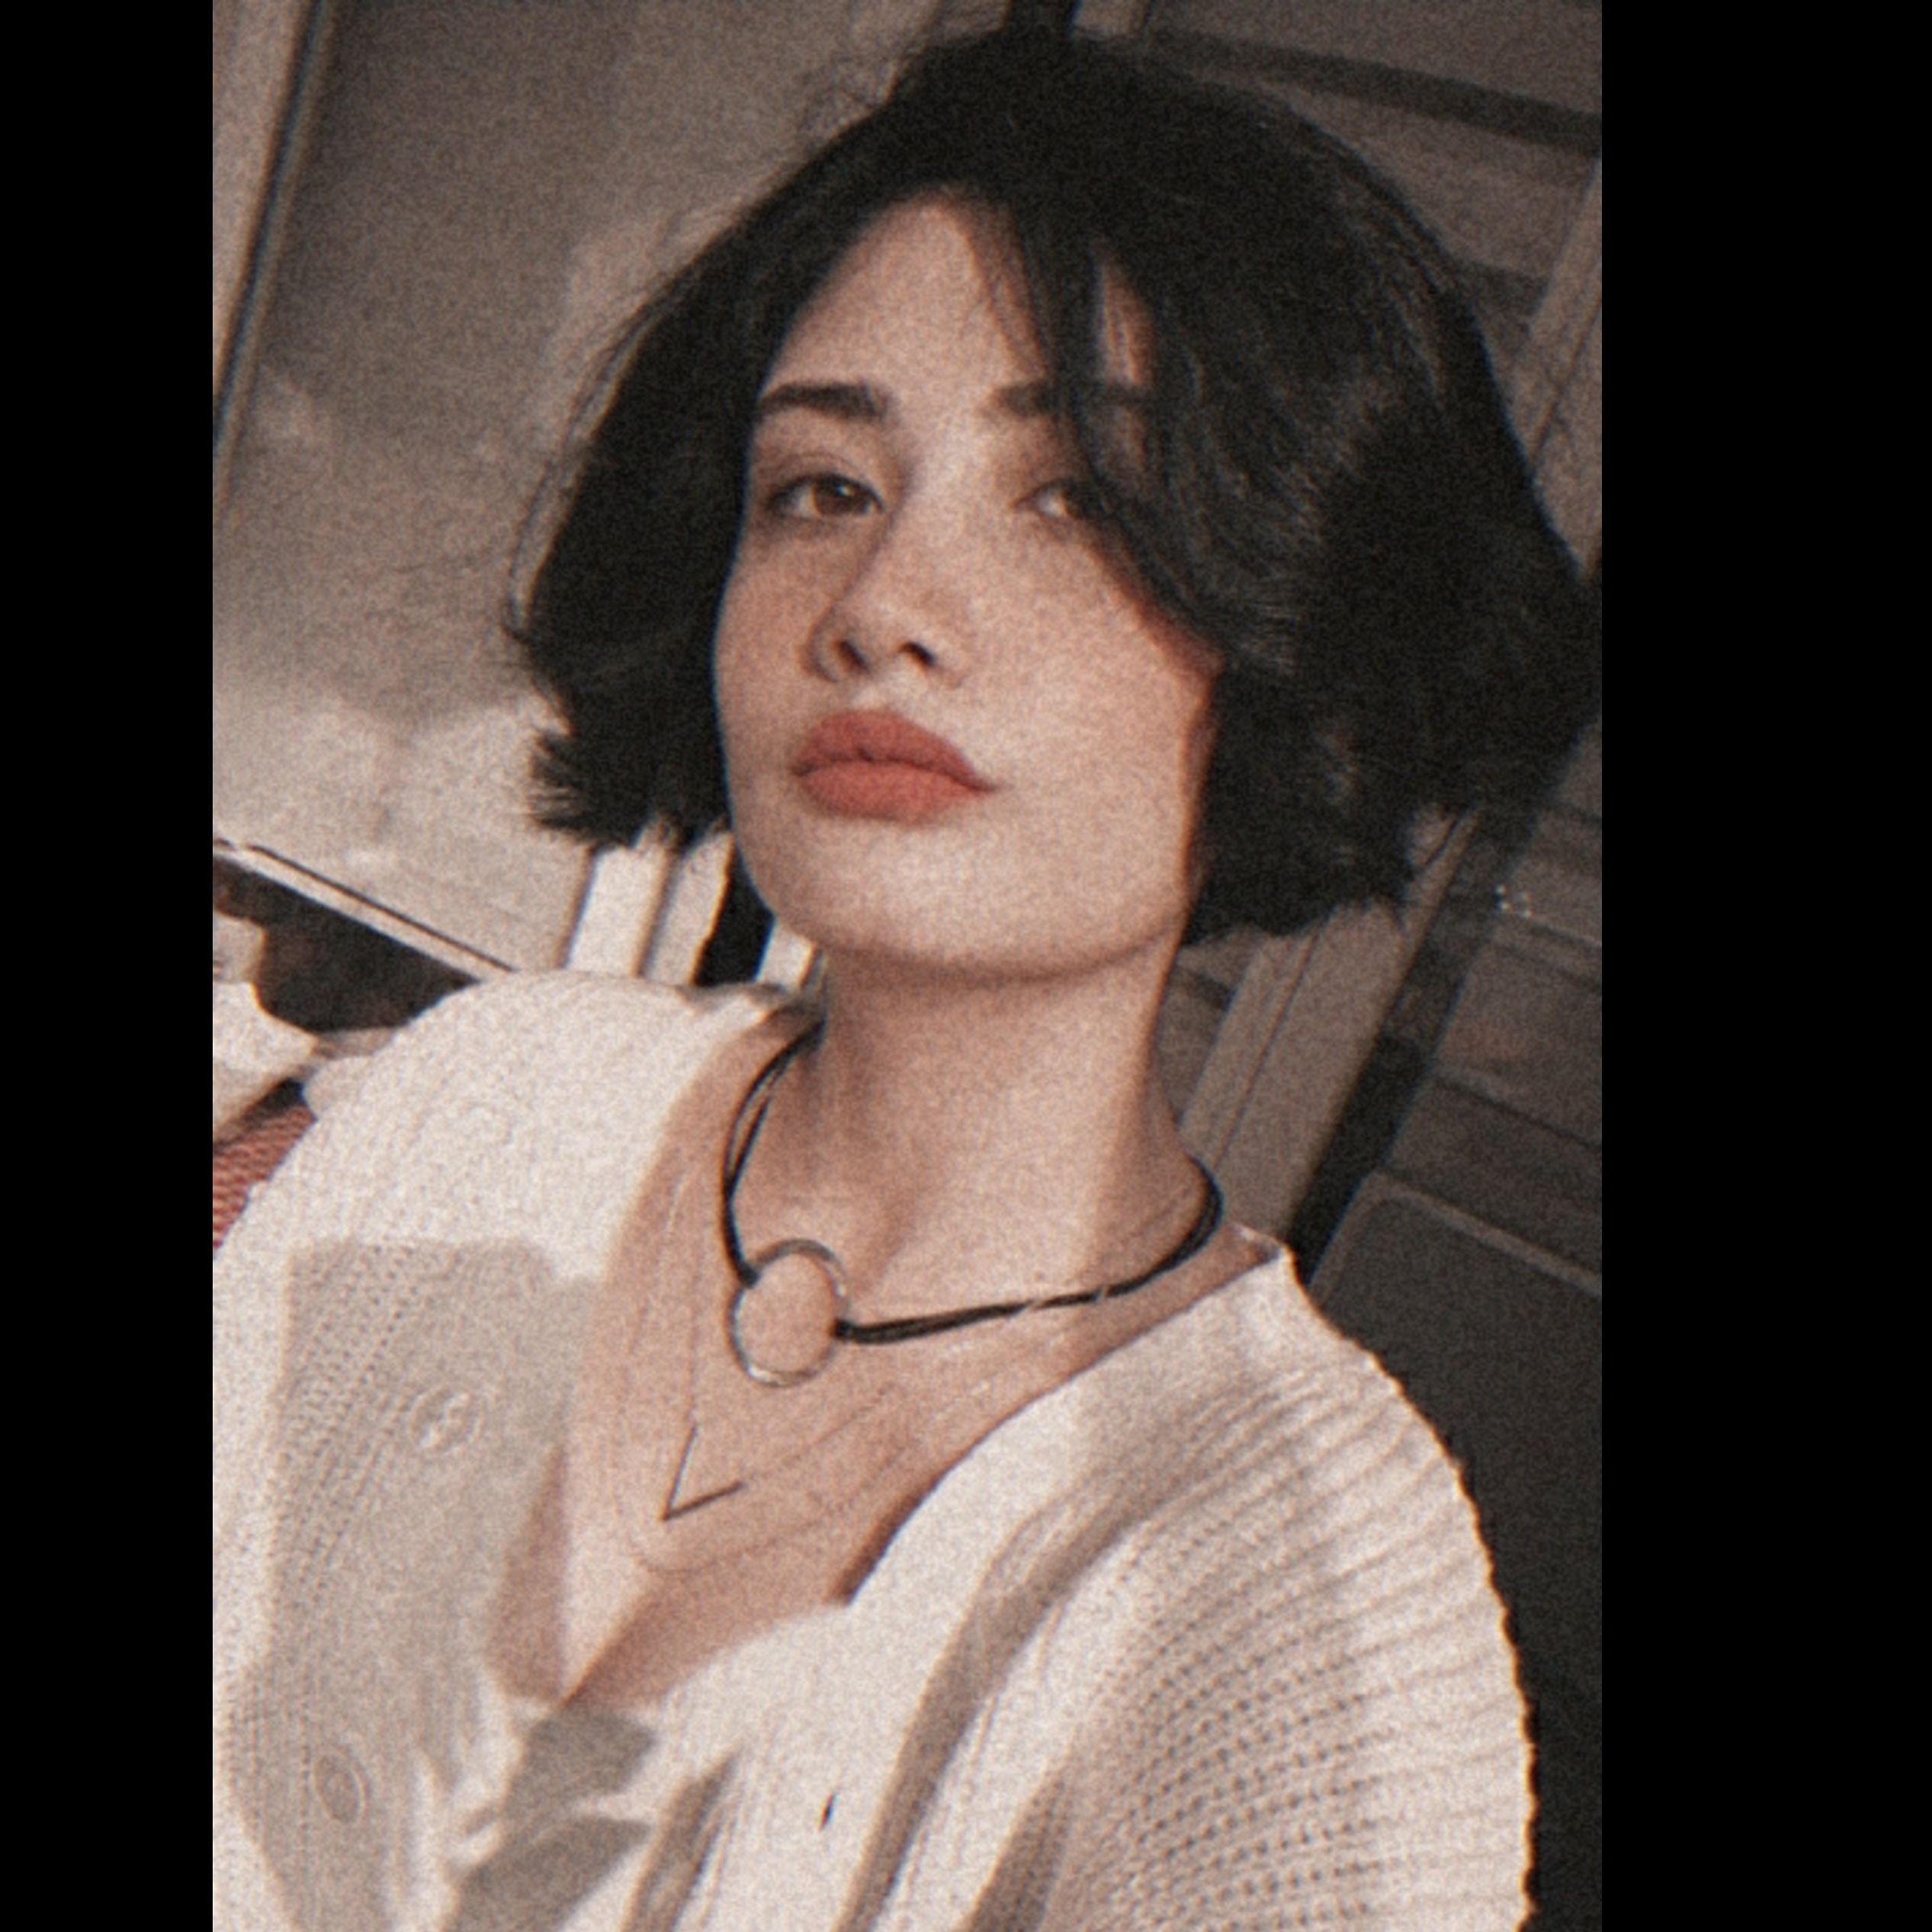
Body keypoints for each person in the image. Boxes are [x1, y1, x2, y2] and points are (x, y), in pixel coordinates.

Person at [213, 25, 1597, 1931]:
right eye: (819, 487)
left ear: (1293, 615)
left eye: (1073, 497)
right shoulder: (495, 1088)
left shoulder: (1303, 1613)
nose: (879, 609)